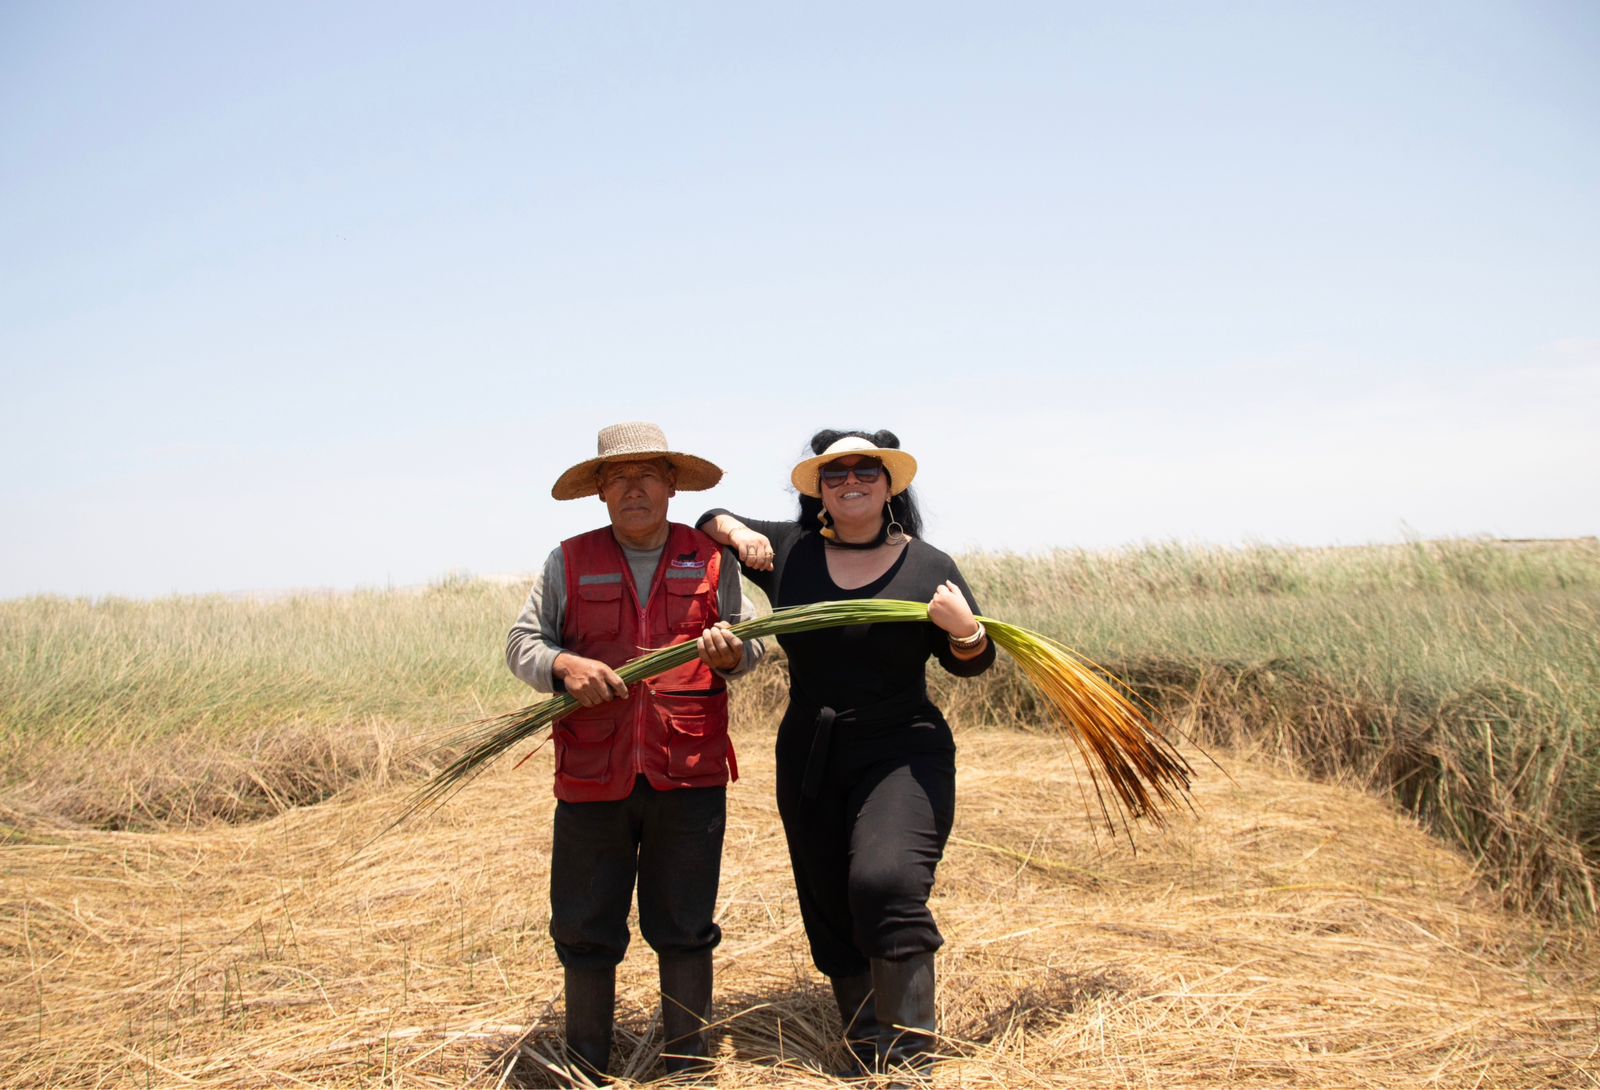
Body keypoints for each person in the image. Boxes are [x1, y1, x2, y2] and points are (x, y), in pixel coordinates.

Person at [697, 428, 995, 1079]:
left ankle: (910, 1057)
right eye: (836, 474)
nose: (851, 481)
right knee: (829, 902)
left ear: (890, 486)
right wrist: (731, 530)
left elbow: (972, 661)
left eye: (866, 471)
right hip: (810, 750)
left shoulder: (928, 566)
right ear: (819, 490)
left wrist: (967, 632)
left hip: (902, 749)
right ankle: (866, 1050)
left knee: (885, 881)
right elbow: (704, 520)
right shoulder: (788, 552)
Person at [506, 421, 766, 1082]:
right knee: (585, 929)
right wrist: (565, 666)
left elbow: (754, 642)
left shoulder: (712, 558)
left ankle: (688, 1064)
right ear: (599, 491)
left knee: (684, 925)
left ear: (673, 484)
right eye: (618, 477)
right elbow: (522, 645)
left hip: (690, 772)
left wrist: (736, 653)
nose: (635, 488)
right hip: (595, 776)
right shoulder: (568, 559)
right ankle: (586, 1067)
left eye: (649, 473)